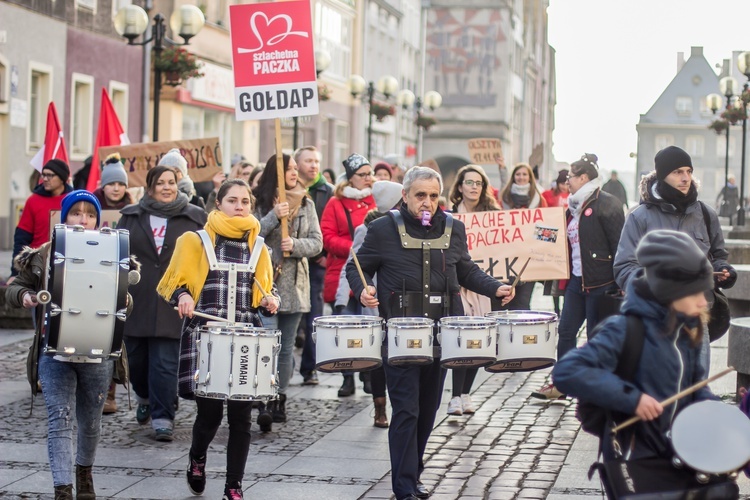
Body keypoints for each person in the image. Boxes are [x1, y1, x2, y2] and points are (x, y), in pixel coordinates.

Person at [346, 166, 516, 500]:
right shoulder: (381, 230)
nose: (427, 202)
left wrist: (496, 288)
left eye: (434, 196)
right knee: (406, 410)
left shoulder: (454, 228)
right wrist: (362, 289)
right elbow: (357, 266)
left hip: (441, 336)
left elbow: (465, 269)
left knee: (427, 411)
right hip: (399, 336)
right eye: (420, 195)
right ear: (405, 195)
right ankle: (404, 486)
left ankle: (414, 473)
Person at [157, 179, 279, 500]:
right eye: (232, 201)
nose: (239, 207)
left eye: (245, 202)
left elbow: (264, 290)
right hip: (207, 335)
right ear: (218, 204)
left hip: (245, 337)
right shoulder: (195, 241)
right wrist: (183, 296)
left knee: (242, 417)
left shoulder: (259, 246)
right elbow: (175, 284)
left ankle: (233, 486)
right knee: (209, 415)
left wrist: (270, 299)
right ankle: (197, 458)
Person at [6, 190, 132, 500]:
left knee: (90, 422)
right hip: (54, 350)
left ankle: (83, 471)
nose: (83, 219)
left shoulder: (114, 251)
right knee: (58, 419)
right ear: (64, 217)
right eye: (76, 213)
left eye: (90, 214)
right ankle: (62, 488)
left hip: (98, 354)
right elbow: (15, 287)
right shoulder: (43, 254)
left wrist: (123, 301)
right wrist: (25, 296)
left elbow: (126, 300)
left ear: (97, 220)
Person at [553, 230, 718, 464]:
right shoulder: (625, 330)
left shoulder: (687, 329)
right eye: (694, 292)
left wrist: (715, 411)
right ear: (670, 291)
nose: (703, 301)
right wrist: (634, 399)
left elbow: (693, 389)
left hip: (681, 456)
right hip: (639, 461)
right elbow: (567, 371)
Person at [614, 146, 736, 373]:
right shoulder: (640, 217)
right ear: (662, 176)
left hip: (698, 316)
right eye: (678, 172)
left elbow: (718, 255)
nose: (685, 178)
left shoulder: (706, 214)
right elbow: (624, 267)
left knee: (695, 387)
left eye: (688, 171)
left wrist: (724, 270)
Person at [118, 165, 207, 442]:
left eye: (171, 182)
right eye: (161, 183)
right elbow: (118, 254)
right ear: (150, 187)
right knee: (137, 361)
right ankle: (143, 395)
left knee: (165, 363)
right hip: (137, 300)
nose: (167, 187)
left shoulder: (194, 217)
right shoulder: (131, 216)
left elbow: (204, 257)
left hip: (174, 300)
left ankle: (163, 417)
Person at [531, 153, 625, 400]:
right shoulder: (572, 206)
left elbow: (620, 247)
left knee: (596, 336)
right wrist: (533, 236)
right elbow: (560, 239)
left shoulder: (608, 203)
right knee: (566, 331)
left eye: (571, 177)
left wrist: (621, 281)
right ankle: (562, 383)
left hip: (601, 283)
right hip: (576, 281)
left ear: (584, 177)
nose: (566, 181)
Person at [254, 153, 323, 426]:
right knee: (265, 345)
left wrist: (294, 245)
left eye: (296, 168)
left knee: (284, 349)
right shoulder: (258, 200)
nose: (295, 173)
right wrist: (273, 216)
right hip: (265, 284)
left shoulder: (306, 202)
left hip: (294, 286)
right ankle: (262, 397)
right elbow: (249, 233)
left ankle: (279, 397)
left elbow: (317, 242)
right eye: (289, 169)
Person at [335, 180, 404, 428]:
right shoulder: (369, 228)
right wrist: (343, 298)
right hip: (374, 303)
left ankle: (397, 406)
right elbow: (353, 264)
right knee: (378, 357)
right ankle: (380, 407)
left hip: (399, 303)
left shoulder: (408, 227)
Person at [445, 164, 500, 416]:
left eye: (478, 183)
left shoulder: (494, 215)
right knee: (462, 338)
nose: (474, 187)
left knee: (479, 339)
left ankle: (467, 392)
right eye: (469, 182)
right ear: (460, 186)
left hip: (480, 284)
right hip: (458, 284)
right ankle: (455, 395)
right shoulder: (449, 217)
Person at [320, 153, 377, 397]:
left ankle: (367, 371)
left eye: (369, 173)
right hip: (342, 271)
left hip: (370, 273)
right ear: (350, 178)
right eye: (362, 175)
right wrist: (353, 247)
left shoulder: (376, 200)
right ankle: (347, 377)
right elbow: (327, 235)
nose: (367, 179)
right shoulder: (336, 203)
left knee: (368, 324)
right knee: (345, 325)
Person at [294, 146, 334, 386]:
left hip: (316, 263)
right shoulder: (289, 188)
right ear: (297, 164)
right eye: (308, 161)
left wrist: (323, 254)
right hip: (291, 262)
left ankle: (309, 368)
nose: (313, 165)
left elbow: (327, 227)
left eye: (316, 161)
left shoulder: (326, 192)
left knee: (313, 317)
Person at [10, 159, 73, 283]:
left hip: (67, 264)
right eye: (43, 174)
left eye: (50, 175)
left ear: (62, 178)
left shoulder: (74, 200)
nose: (44, 179)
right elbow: (21, 238)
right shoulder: (33, 201)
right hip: (36, 265)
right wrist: (15, 272)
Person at [497, 162, 548, 310]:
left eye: (524, 174)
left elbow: (546, 227)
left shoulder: (539, 200)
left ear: (530, 177)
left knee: (523, 302)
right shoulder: (504, 199)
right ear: (513, 177)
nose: (521, 177)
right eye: (518, 174)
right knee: (503, 300)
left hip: (528, 260)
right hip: (505, 258)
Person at [541, 169, 570, 316]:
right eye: (562, 183)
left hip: (568, 240)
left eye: (567, 183)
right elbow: (541, 216)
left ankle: (565, 307)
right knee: (554, 278)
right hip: (552, 240)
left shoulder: (574, 196)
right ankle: (556, 309)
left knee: (565, 277)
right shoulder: (547, 195)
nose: (564, 187)